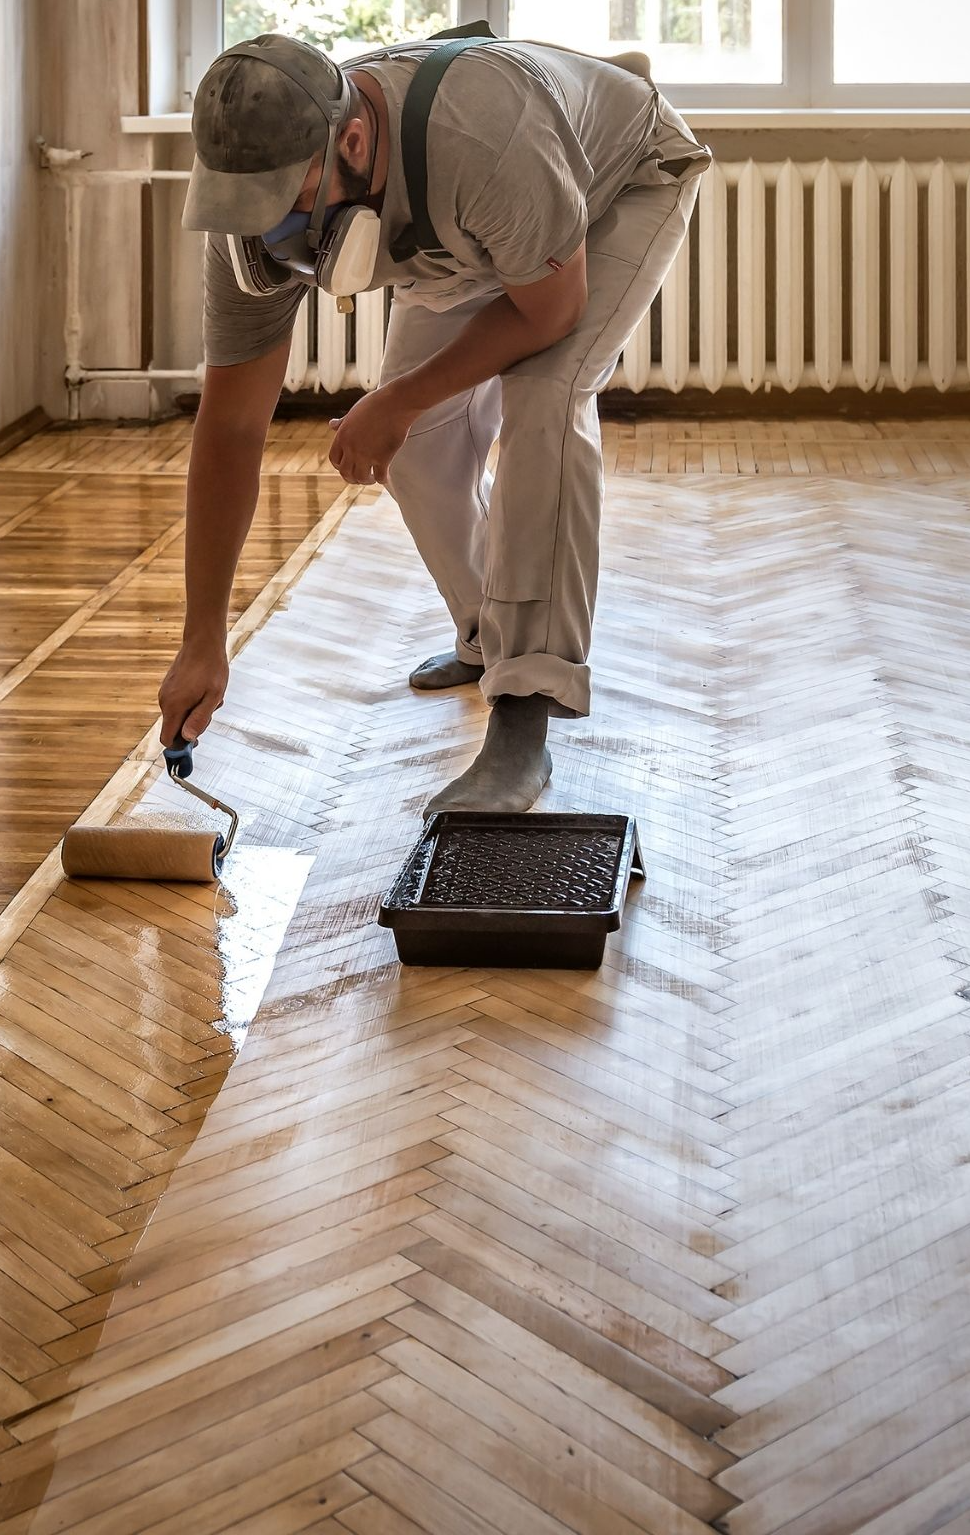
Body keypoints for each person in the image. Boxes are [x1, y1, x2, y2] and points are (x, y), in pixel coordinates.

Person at [158, 26, 711, 815]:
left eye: (290, 202)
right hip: (471, 226)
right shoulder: (247, 216)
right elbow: (232, 429)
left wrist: (397, 397)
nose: (271, 233)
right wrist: (202, 634)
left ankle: (525, 713)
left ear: (352, 139)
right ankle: (488, 633)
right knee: (414, 447)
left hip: (616, 181)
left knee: (546, 398)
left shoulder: (483, 134)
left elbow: (550, 313)